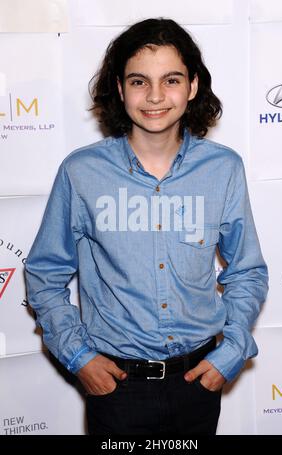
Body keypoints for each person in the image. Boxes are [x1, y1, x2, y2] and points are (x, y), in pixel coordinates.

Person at [24, 18, 268, 435]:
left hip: (199, 383)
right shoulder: (82, 172)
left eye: (171, 79)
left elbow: (247, 271)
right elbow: (44, 274)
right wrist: (77, 355)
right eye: (139, 81)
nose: (155, 96)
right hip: (117, 390)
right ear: (120, 90)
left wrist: (230, 351)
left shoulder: (224, 168)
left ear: (192, 86)